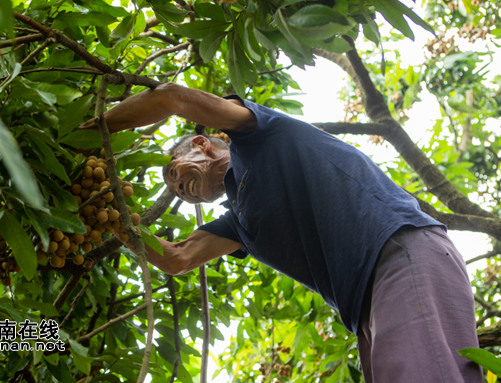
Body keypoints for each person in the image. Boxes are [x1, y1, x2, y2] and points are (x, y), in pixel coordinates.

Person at [80, 83, 483, 383]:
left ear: (201, 144)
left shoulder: (259, 136)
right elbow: (177, 257)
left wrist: (96, 131)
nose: (177, 188)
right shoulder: (241, 219)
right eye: (173, 190)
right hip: (365, 307)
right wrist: (114, 215)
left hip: (398, 251)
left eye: (174, 171)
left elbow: (169, 97)